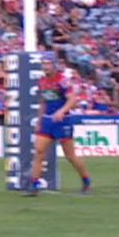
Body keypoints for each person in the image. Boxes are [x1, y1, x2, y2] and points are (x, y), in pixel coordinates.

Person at [28, 63, 91, 195]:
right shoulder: (43, 81)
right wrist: (39, 121)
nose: (45, 67)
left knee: (70, 156)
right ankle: (34, 185)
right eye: (44, 65)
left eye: (48, 65)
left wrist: (62, 111)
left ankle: (86, 180)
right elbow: (43, 103)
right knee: (39, 151)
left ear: (54, 66)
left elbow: (72, 99)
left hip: (62, 122)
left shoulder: (63, 81)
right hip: (47, 120)